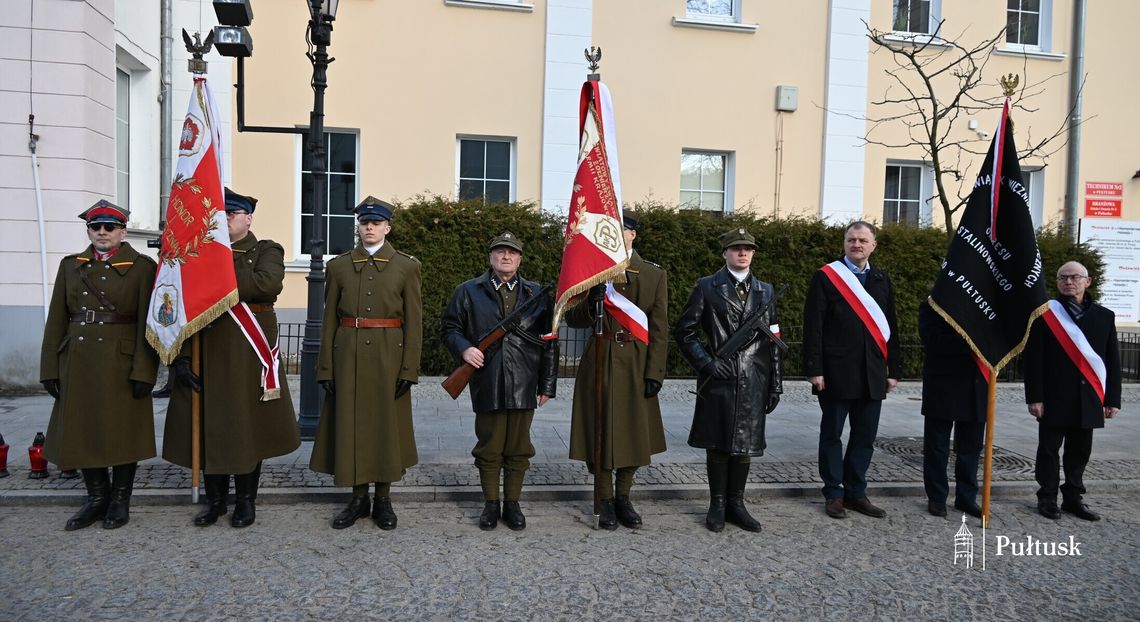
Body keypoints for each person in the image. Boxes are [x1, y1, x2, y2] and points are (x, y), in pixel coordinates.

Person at [164, 188, 300, 528]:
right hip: (207, 347)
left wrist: (213, 266)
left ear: (248, 218)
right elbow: (183, 306)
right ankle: (215, 502)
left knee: (247, 426)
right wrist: (181, 357)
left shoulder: (267, 249)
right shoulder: (200, 251)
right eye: (220, 214)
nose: (224, 219)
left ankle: (245, 501)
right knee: (211, 424)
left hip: (247, 350)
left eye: (231, 213)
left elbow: (266, 285)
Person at [39, 200, 158, 530]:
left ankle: (119, 500)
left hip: (122, 362)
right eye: (95, 227)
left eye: (110, 227)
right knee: (83, 430)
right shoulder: (71, 266)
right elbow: (57, 319)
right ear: (89, 231)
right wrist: (50, 368)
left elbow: (148, 323)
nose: (102, 232)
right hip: (79, 361)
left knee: (123, 433)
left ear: (123, 231)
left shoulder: (142, 267)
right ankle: (96, 499)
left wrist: (145, 370)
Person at [310, 196, 422, 530]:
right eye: (364, 223)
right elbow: (328, 320)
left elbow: (414, 322)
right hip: (348, 355)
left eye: (376, 223)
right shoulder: (338, 267)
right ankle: (358, 499)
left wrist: (409, 369)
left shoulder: (406, 267)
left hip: (390, 355)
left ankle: (383, 499)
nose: (370, 227)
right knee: (351, 426)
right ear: (358, 227)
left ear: (388, 228)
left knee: (386, 427)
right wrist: (326, 367)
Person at [441, 232, 557, 531]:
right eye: (500, 251)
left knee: (519, 448)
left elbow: (549, 341)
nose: (506, 257)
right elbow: (450, 328)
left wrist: (547, 384)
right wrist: (465, 349)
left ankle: (512, 504)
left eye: (512, 252)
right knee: (489, 447)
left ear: (520, 259)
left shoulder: (536, 294)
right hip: (487, 378)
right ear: (490, 256)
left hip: (524, 380)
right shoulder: (467, 291)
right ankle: (491, 504)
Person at [674, 228, 782, 533]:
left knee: (745, 444)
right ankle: (718, 504)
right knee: (718, 443)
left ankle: (737, 504)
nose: (742, 253)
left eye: (748, 248)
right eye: (736, 248)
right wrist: (707, 363)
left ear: (754, 253)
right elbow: (685, 331)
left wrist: (775, 383)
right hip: (720, 377)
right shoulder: (707, 286)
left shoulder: (766, 291)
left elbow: (774, 338)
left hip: (754, 378)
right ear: (725, 253)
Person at [566, 215, 668, 530]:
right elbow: (573, 319)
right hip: (599, 358)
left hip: (636, 362)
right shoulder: (592, 271)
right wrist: (591, 302)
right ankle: (605, 499)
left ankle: (624, 497)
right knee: (597, 431)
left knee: (634, 433)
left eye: (621, 228)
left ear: (632, 234)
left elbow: (660, 329)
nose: (615, 232)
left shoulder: (653, 274)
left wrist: (655, 373)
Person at [802, 221, 901, 519]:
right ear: (844, 243)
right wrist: (814, 369)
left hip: (872, 373)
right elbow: (813, 326)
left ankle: (856, 493)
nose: (856, 244)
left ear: (873, 246)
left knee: (864, 437)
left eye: (862, 240)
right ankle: (834, 493)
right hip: (836, 371)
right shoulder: (826, 277)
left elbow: (891, 327)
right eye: (851, 240)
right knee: (832, 435)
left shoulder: (881, 279)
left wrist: (894, 369)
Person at [1025, 261, 1122, 521]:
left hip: (1089, 396)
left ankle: (1073, 498)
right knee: (1048, 450)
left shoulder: (1105, 316)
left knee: (1079, 452)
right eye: (1063, 277)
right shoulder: (1045, 314)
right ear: (1057, 283)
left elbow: (1112, 360)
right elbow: (1034, 360)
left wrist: (1112, 399)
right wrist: (1035, 397)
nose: (1069, 282)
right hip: (1054, 396)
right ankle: (1047, 498)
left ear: (1087, 282)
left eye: (1075, 277)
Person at [918, 299, 984, 519]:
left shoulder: (984, 306)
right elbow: (933, 341)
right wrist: (971, 339)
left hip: (976, 385)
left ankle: (966, 497)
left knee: (971, 447)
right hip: (943, 384)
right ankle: (937, 497)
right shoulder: (932, 305)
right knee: (937, 447)